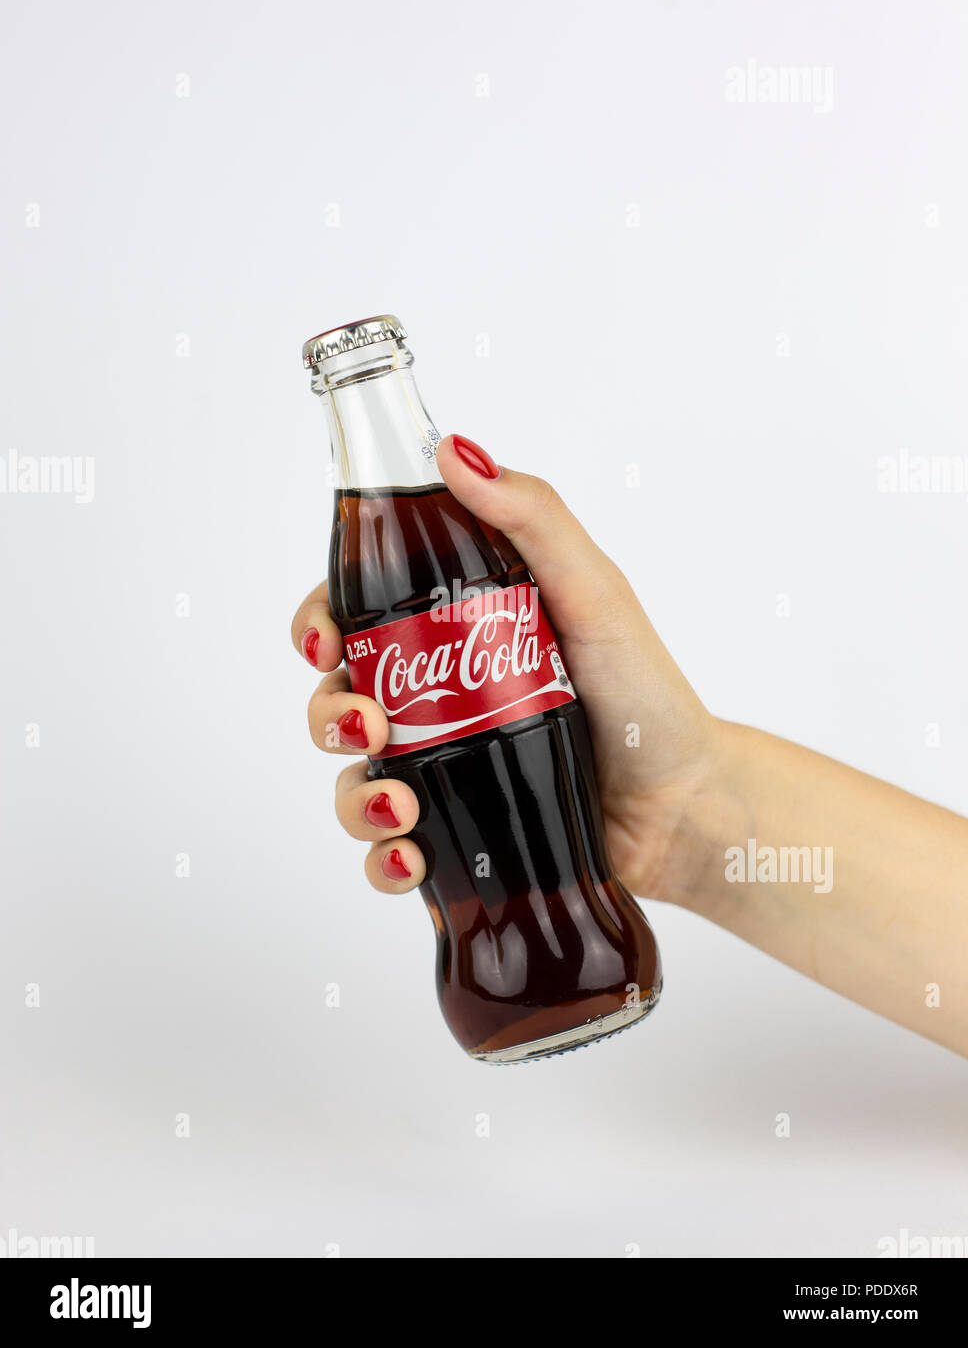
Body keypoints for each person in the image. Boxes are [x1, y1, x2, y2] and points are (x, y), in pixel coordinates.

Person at [291, 434, 968, 1060]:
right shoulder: (379, 546)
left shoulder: (430, 530)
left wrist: (678, 800)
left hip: (590, 901)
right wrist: (683, 810)